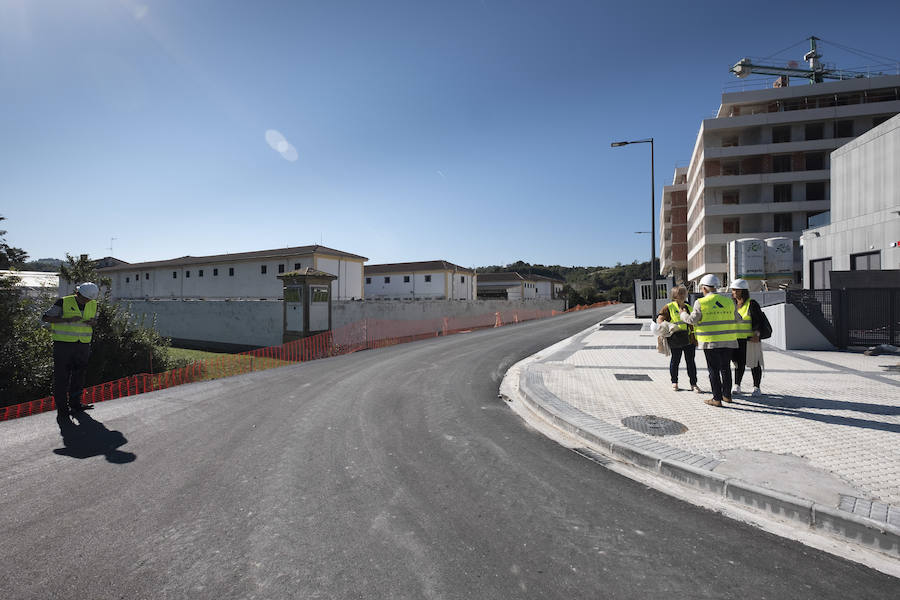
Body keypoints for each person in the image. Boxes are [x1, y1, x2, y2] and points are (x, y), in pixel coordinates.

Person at [679, 274, 742, 407]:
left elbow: (692, 320)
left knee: (713, 370)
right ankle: (727, 396)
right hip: (729, 341)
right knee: (725, 369)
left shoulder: (701, 302)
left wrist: (682, 314)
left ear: (705, 289)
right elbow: (739, 319)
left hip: (710, 342)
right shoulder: (729, 301)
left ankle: (716, 399)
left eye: (702, 288)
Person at [42, 282, 100, 418]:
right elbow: (46, 317)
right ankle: (63, 409)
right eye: (84, 299)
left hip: (83, 344)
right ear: (78, 293)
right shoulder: (63, 302)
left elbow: (95, 320)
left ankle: (76, 404)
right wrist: (67, 320)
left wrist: (93, 322)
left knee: (79, 376)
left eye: (88, 300)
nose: (86, 302)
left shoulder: (93, 304)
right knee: (62, 377)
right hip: (63, 345)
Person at [656, 285, 700, 393]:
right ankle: (674, 382)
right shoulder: (669, 307)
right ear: (674, 295)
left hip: (689, 339)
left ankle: (693, 384)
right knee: (675, 361)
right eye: (680, 293)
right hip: (676, 338)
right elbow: (660, 319)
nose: (682, 295)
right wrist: (669, 326)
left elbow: (694, 323)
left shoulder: (689, 308)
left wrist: (696, 339)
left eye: (684, 293)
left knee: (691, 362)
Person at [729, 279, 764, 397]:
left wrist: (757, 334)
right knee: (738, 364)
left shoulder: (752, 304)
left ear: (742, 291)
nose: (733, 292)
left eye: (735, 290)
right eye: (733, 290)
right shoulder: (732, 304)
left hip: (751, 340)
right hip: (736, 340)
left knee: (754, 363)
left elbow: (758, 321)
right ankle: (737, 385)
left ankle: (756, 387)